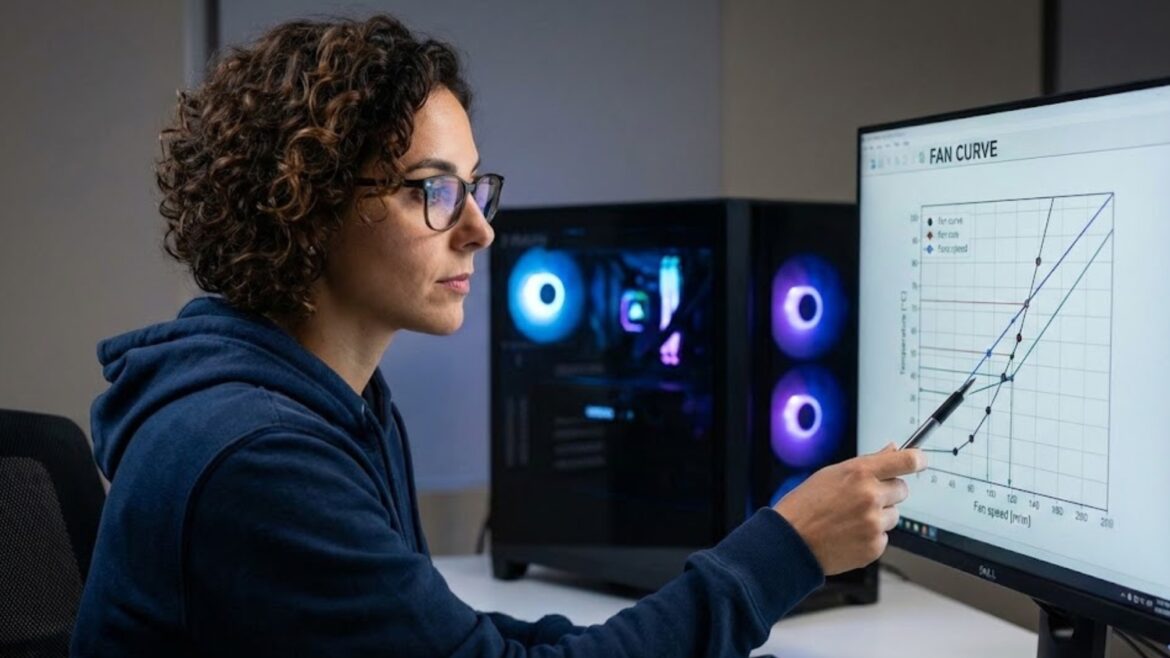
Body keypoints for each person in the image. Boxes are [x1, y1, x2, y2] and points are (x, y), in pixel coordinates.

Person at [71, 14, 926, 657]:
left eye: (476, 187)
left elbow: (450, 639)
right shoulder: (256, 458)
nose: (480, 229)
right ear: (309, 203)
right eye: (433, 191)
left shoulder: (341, 403)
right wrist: (784, 549)